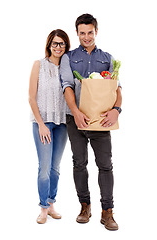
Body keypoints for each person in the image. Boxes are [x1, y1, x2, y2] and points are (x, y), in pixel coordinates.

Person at [60, 14, 122, 231]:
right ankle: (84, 206)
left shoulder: (107, 57)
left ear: (96, 32)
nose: (86, 37)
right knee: (79, 163)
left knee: (105, 166)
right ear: (77, 33)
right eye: (82, 33)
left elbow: (117, 88)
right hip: (74, 120)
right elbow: (67, 86)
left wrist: (116, 110)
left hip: (100, 121)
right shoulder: (68, 57)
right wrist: (75, 112)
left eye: (90, 32)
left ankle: (108, 211)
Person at [29, 29, 70, 224]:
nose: (58, 47)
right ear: (49, 45)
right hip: (43, 122)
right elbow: (31, 97)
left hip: (62, 123)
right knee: (44, 167)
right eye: (55, 43)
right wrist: (41, 124)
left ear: (66, 46)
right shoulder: (39, 65)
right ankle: (43, 208)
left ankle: (52, 202)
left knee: (55, 167)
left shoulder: (67, 68)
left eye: (62, 44)